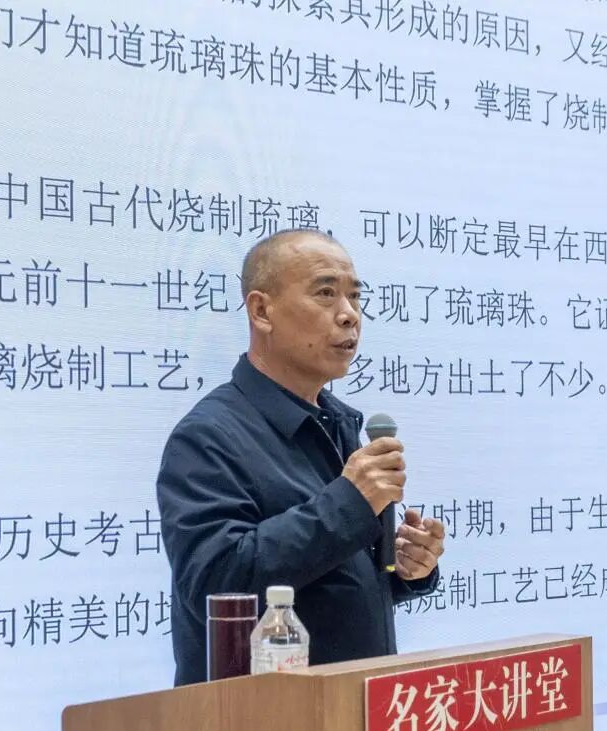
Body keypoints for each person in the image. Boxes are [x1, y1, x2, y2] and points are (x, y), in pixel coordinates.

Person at [156, 229, 446, 686]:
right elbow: (217, 586)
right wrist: (350, 503)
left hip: (356, 706)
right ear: (261, 311)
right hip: (257, 717)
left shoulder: (341, 424)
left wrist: (406, 569)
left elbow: (327, 585)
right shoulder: (208, 436)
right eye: (326, 293)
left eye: (355, 296)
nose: (349, 315)